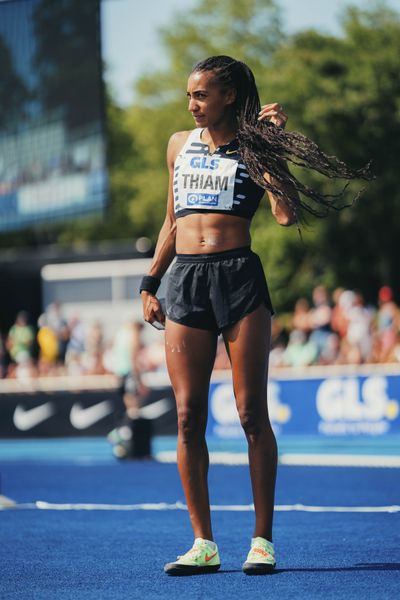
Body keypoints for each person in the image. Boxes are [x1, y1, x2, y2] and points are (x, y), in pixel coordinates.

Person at [140, 55, 372, 576]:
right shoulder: (178, 144)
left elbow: (286, 214)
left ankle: (262, 540)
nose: (193, 105)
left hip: (239, 277)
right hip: (185, 282)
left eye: (201, 95)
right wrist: (150, 281)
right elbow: (171, 221)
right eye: (189, 96)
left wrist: (267, 150)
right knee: (186, 416)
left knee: (250, 415)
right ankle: (203, 543)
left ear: (228, 96)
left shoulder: (252, 147)